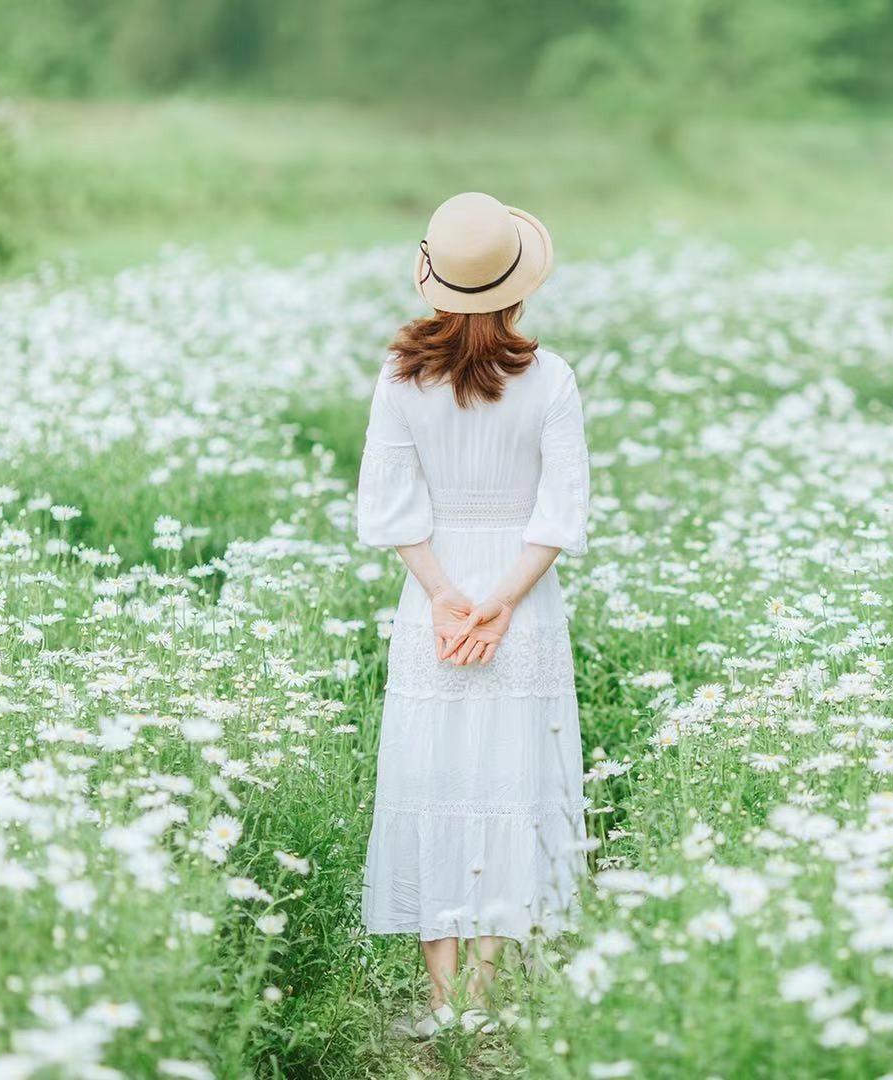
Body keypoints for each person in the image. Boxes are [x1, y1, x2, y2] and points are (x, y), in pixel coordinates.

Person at [355, 192, 589, 1038]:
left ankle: (441, 999)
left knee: (433, 780)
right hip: (519, 600)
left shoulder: (400, 376)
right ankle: (483, 998)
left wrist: (447, 596)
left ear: (433, 282)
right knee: (508, 779)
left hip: (434, 593)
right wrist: (497, 604)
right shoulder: (551, 377)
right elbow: (560, 513)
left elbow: (388, 508)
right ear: (518, 288)